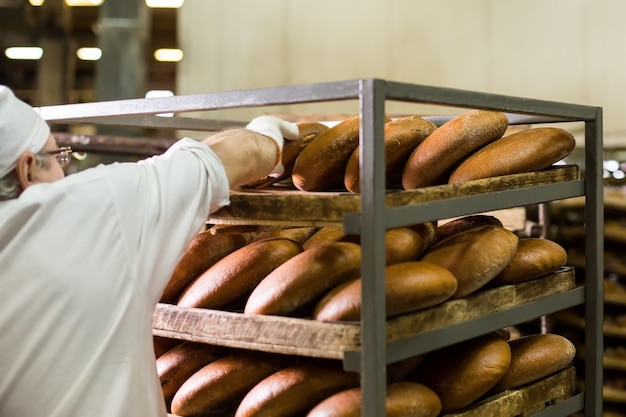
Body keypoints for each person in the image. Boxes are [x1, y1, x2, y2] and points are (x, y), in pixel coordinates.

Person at [0, 84, 299, 417]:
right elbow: (228, 157)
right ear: (27, 168)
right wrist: (267, 133)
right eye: (59, 157)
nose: (64, 169)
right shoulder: (86, 210)